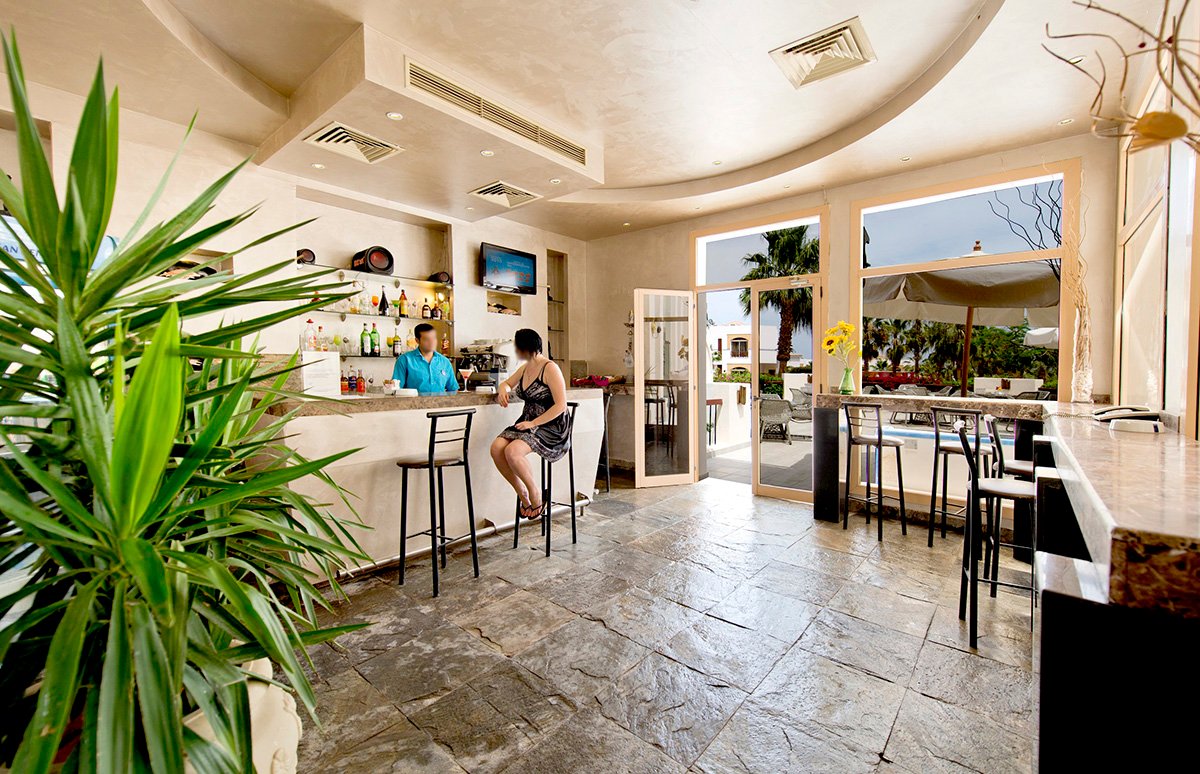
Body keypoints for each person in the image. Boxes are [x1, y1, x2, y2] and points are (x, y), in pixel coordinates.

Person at [490, 329, 571, 520]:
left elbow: (561, 405)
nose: (515, 351)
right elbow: (506, 383)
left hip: (551, 424)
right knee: (496, 448)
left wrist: (533, 423)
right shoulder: (525, 368)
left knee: (512, 451)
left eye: (517, 347)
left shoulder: (550, 368)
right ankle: (522, 493)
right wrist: (503, 389)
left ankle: (535, 493)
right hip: (527, 421)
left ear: (524, 348)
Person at [392, 323, 459, 394]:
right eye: (427, 339)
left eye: (434, 338)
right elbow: (397, 389)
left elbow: (453, 390)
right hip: (413, 401)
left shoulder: (445, 362)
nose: (432, 342)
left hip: (440, 401)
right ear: (417, 340)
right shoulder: (404, 360)